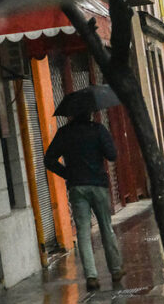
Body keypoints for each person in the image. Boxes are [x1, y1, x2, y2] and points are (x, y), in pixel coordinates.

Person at [44, 113, 124, 291]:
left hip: (77, 187)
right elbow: (112, 155)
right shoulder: (98, 130)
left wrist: (67, 174)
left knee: (83, 231)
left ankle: (91, 276)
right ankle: (116, 270)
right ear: (89, 112)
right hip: (99, 186)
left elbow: (48, 159)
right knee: (105, 226)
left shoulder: (64, 133)